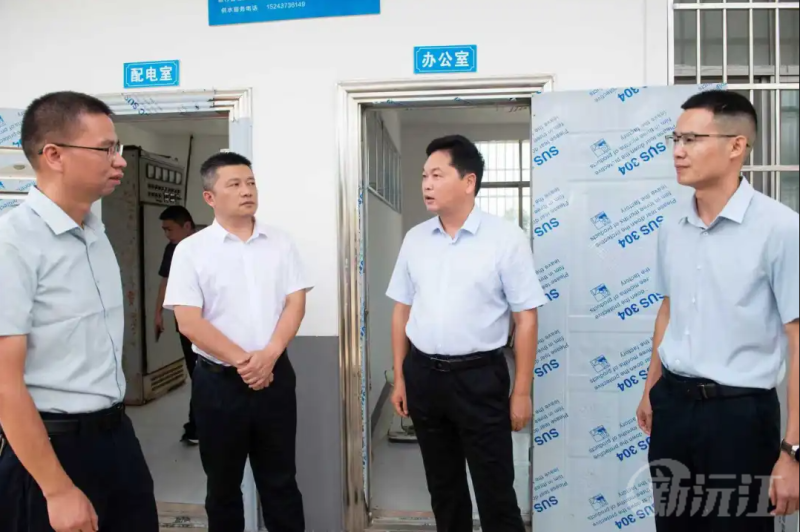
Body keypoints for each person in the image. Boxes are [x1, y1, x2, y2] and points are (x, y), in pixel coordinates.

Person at [637, 89, 799, 531]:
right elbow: (669, 308)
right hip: (673, 406)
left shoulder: (780, 228)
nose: (678, 151)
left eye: (692, 139)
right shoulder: (672, 225)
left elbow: (798, 340)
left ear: (736, 146)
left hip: (740, 417)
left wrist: (792, 451)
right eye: (676, 139)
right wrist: (651, 387)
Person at [0, 91, 159, 532]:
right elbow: (4, 383)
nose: (119, 161)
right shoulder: (13, 243)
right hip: (52, 451)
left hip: (116, 438)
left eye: (117, 148)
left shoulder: (94, 232)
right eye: (105, 149)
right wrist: (56, 489)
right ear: (54, 155)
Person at [386, 135, 547, 531]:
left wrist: (521, 392)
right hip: (424, 375)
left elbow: (526, 319)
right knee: (444, 489)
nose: (426, 184)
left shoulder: (505, 238)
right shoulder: (415, 239)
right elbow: (401, 310)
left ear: (469, 181)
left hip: (479, 378)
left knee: (495, 491)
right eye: (424, 176)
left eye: (437, 175)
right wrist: (401, 377)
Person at [163, 152, 310, 531]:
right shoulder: (190, 250)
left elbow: (295, 302)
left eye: (251, 182)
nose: (247, 191)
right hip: (218, 385)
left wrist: (269, 356)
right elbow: (188, 321)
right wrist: (247, 363)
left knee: (281, 482)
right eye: (235, 184)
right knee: (223, 487)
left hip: (275, 378)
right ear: (210, 197)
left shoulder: (281, 242)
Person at [154, 204, 198, 445]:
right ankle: (197, 426)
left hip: (210, 322)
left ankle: (198, 427)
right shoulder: (172, 249)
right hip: (185, 322)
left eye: (169, 229)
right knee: (197, 373)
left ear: (187, 226)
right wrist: (158, 313)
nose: (166, 234)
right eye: (164, 230)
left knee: (205, 374)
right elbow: (165, 281)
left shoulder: (207, 245)